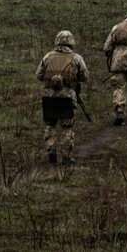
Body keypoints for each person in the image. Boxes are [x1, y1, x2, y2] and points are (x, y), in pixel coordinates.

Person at [35, 30, 89, 165]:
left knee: (50, 124)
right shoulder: (76, 58)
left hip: (49, 97)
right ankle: (66, 156)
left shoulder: (47, 57)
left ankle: (51, 151)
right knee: (67, 127)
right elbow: (85, 77)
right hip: (67, 97)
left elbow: (39, 75)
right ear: (71, 42)